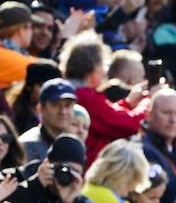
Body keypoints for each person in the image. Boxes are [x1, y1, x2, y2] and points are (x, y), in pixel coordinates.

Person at [59, 32, 150, 166]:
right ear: (93, 66)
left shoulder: (75, 91)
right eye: (103, 65)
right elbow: (128, 124)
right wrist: (149, 102)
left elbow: (109, 116)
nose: (105, 72)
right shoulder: (85, 95)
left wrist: (128, 103)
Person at [140, 87, 176, 203]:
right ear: (149, 115)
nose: (173, 120)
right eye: (166, 113)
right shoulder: (142, 149)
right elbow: (165, 195)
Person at [19, 77, 77, 163]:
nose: (63, 111)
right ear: (40, 109)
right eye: (55, 105)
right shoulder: (27, 145)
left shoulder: (73, 144)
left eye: (68, 105)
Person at [0, 1, 35, 91]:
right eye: (30, 27)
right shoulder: (0, 55)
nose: (32, 32)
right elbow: (47, 71)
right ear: (22, 30)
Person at [7, 58, 60, 134]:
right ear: (29, 87)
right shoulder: (16, 115)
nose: (48, 92)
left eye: (54, 88)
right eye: (42, 86)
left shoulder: (61, 114)